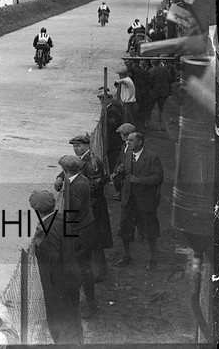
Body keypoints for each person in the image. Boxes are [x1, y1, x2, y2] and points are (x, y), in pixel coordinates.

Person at [55, 135, 112, 283]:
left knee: (96, 241)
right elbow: (71, 168)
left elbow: (96, 185)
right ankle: (97, 272)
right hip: (89, 206)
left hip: (93, 205)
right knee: (92, 241)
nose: (76, 149)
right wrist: (61, 177)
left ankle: (100, 273)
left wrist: (75, 183)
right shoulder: (82, 159)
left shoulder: (92, 162)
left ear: (87, 146)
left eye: (79, 146)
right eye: (74, 146)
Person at [29, 190, 83, 345]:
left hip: (58, 282)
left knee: (60, 322)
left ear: (37, 210)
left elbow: (52, 257)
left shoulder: (49, 229)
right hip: (71, 275)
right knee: (73, 319)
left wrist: (39, 245)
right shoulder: (60, 218)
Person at [111, 131, 163, 269]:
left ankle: (153, 259)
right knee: (124, 229)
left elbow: (158, 177)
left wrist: (139, 180)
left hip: (145, 200)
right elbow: (123, 176)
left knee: (149, 230)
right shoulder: (127, 155)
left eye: (131, 140)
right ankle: (126, 256)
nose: (127, 143)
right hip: (129, 199)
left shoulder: (152, 157)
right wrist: (120, 172)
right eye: (127, 140)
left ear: (139, 142)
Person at [58, 154, 99, 319]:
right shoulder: (79, 179)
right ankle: (87, 301)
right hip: (85, 225)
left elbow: (74, 209)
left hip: (79, 230)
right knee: (81, 265)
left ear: (64, 169)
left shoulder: (75, 185)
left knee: (82, 267)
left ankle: (92, 305)